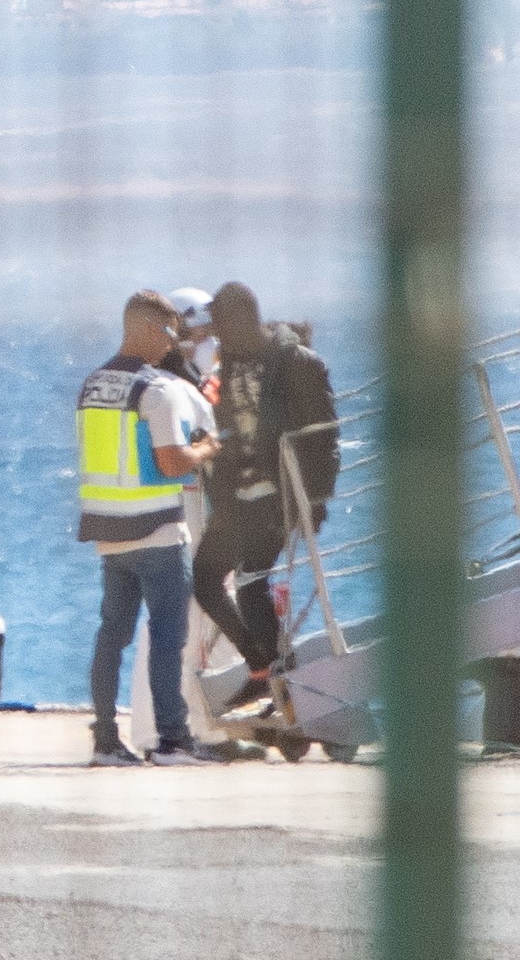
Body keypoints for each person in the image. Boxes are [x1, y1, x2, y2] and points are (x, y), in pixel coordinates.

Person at [74, 288, 218, 764]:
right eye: (169, 333)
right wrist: (207, 449)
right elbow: (173, 461)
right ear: (148, 329)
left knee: (110, 635)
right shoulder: (154, 389)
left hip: (108, 531)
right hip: (156, 529)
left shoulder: (92, 385)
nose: (172, 344)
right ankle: (173, 741)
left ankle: (105, 741)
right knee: (167, 636)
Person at [197, 280, 335, 749]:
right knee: (204, 579)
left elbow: (323, 436)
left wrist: (315, 501)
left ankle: (284, 685)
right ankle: (264, 669)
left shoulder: (296, 362)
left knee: (254, 586)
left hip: (278, 496)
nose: (218, 338)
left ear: (244, 319)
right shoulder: (229, 362)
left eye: (222, 327)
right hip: (237, 498)